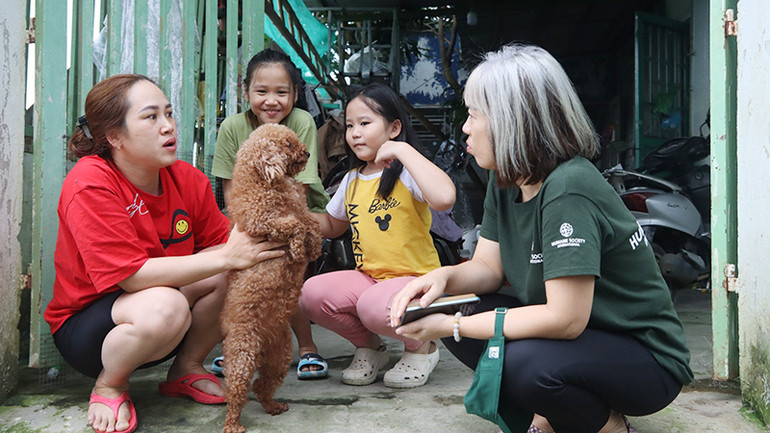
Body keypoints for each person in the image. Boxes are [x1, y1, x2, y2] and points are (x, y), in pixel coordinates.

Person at [390, 44, 693, 433]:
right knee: (460, 308)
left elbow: (564, 319)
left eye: (473, 114)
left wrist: (451, 327)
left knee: (516, 360)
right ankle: (549, 415)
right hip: (586, 339)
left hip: (644, 360)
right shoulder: (507, 178)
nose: (465, 127)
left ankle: (611, 427)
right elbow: (487, 268)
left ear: (511, 120)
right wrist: (441, 279)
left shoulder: (569, 188)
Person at [44, 74, 286, 433]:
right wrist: (228, 256)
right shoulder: (90, 182)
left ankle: (186, 368)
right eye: (151, 117)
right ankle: (110, 384)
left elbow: (224, 245)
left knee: (235, 274)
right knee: (168, 303)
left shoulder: (186, 178)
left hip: (160, 316)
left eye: (169, 114)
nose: (168, 126)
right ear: (114, 137)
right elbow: (130, 277)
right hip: (89, 328)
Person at [298, 82, 456, 388]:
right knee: (310, 294)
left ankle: (421, 348)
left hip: (417, 282)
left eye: (365, 123)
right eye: (350, 125)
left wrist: (402, 151)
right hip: (371, 279)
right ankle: (371, 348)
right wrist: (292, 214)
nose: (355, 132)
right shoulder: (352, 179)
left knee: (371, 306)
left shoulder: (406, 171)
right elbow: (332, 225)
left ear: (394, 127)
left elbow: (445, 198)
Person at [211, 48, 330, 379]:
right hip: (249, 217)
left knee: (283, 272)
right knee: (241, 275)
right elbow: (230, 188)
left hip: (297, 213)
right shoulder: (233, 128)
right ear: (245, 90)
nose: (271, 101)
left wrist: (274, 227)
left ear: (294, 93)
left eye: (282, 92)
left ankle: (307, 347)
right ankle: (241, 346)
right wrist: (249, 227)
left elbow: (299, 189)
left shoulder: (301, 121)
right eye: (261, 91)